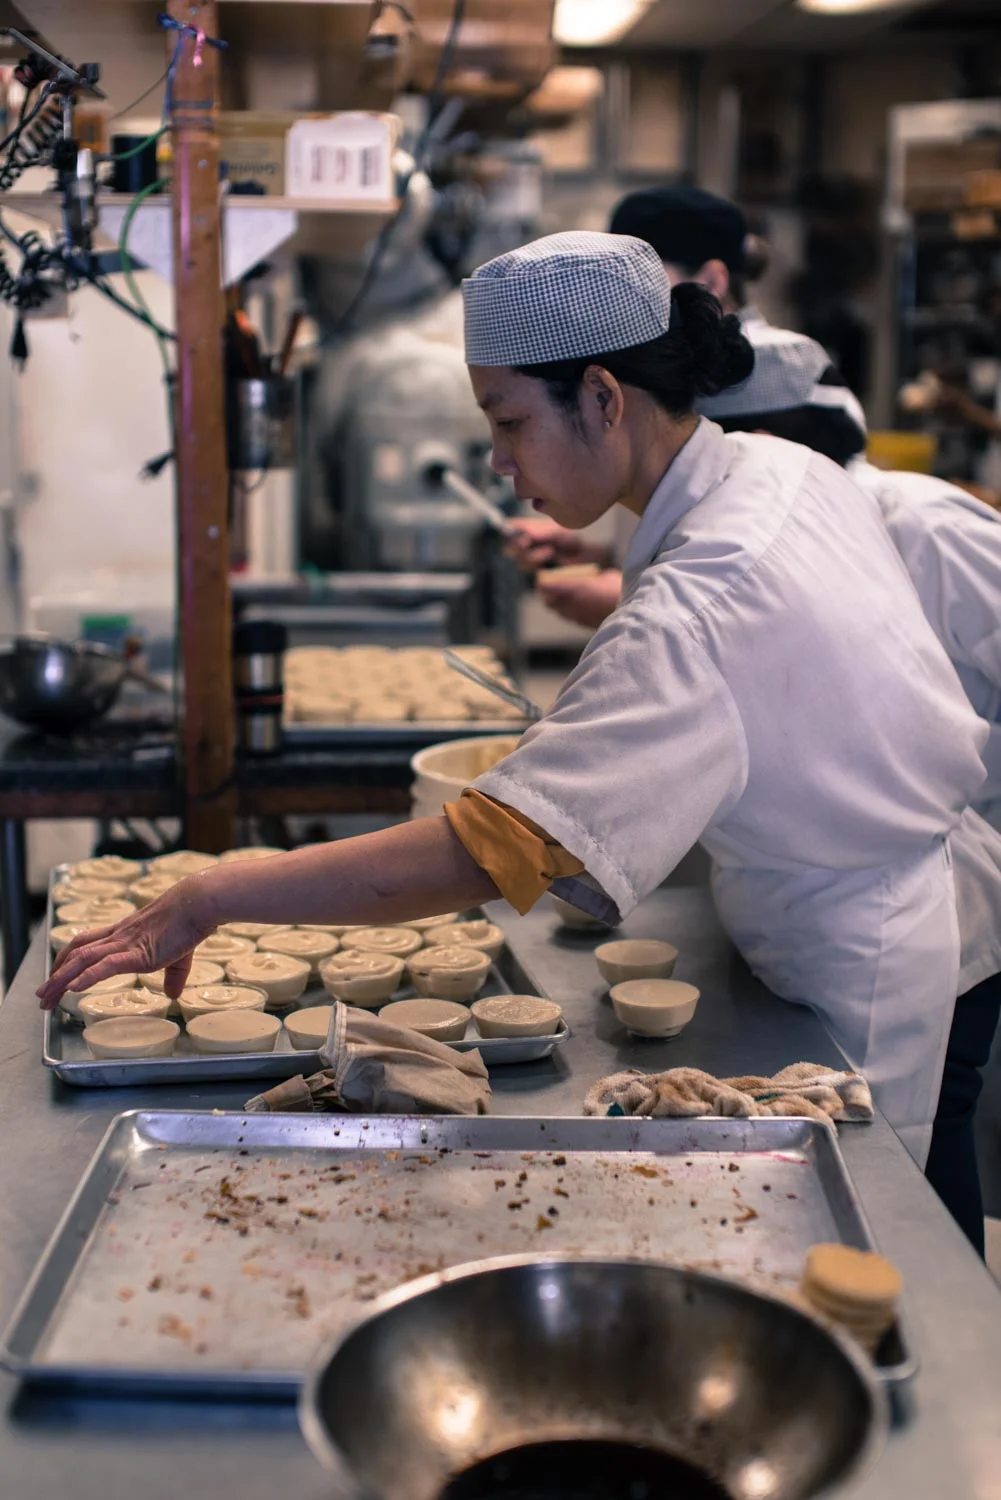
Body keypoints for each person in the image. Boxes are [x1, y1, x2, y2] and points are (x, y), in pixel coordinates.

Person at [39, 232, 1001, 1253]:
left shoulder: (696, 606)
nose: (498, 462)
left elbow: (484, 852)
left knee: (861, 1253)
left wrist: (216, 894)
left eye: (507, 421)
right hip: (889, 902)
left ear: (602, 397)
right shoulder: (774, 469)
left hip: (850, 961)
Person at [698, 320, 1001, 1251]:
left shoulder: (924, 522)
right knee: (888, 1160)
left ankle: (956, 1321)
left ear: (761, 447)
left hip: (948, 893)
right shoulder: (781, 543)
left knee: (921, 1158)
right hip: (841, 903)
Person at [506, 186, 773, 629]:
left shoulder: (773, 379)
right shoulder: (664, 367)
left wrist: (624, 598)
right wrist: (602, 557)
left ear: (711, 281)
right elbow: (683, 519)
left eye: (642, 282)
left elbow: (753, 572)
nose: (617, 306)